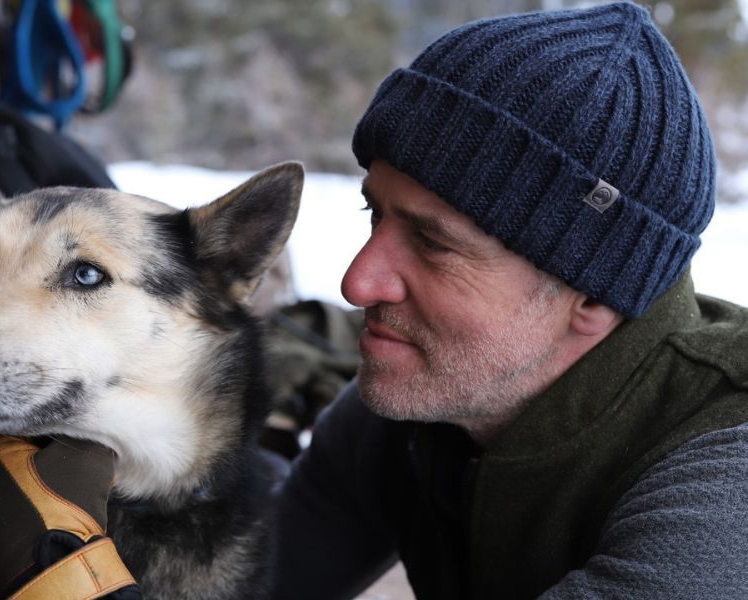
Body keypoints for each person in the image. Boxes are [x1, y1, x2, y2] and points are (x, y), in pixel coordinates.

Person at [269, 2, 748, 599]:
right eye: (376, 213)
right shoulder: (420, 396)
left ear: (594, 294)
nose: (358, 282)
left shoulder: (721, 496)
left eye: (433, 242)